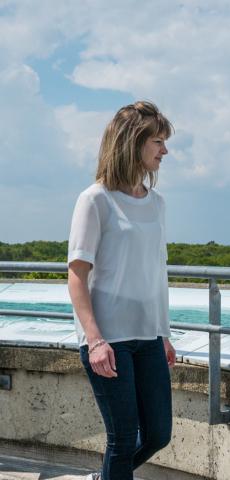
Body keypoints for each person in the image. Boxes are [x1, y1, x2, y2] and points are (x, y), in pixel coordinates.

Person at [67, 101, 176, 480]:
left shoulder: (157, 203)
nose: (164, 151)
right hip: (108, 339)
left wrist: (163, 333)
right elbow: (77, 275)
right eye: (158, 142)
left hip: (148, 338)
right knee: (123, 438)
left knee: (160, 434)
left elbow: (155, 273)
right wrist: (94, 341)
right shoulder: (95, 200)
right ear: (133, 143)